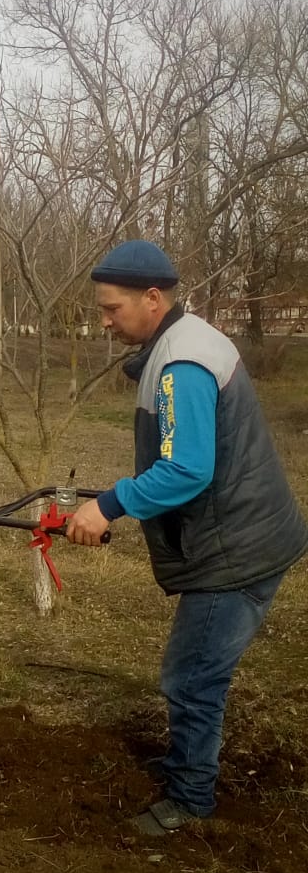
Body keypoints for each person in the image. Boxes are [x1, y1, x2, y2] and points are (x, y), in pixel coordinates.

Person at [67, 239, 308, 836]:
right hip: (247, 534)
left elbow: (186, 469)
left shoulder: (182, 363)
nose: (105, 321)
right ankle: (185, 765)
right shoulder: (184, 341)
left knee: (193, 676)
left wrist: (109, 506)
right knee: (194, 671)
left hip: (237, 551)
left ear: (153, 298)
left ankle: (191, 798)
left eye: (112, 308)